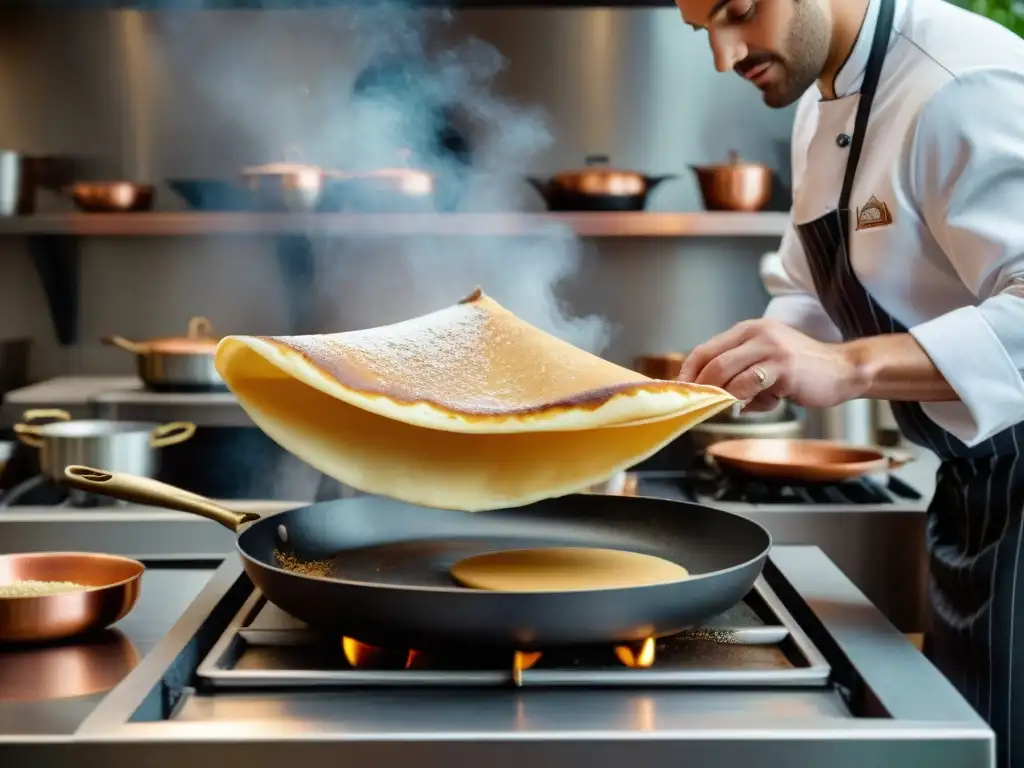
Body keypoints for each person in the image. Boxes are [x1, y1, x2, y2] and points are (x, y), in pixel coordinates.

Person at [673, 0, 1024, 765]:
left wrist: (850, 367)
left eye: (738, 12)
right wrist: (762, 353)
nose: (724, 56)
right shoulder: (821, 101)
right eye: (703, 30)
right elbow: (811, 284)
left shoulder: (960, 83)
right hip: (979, 491)